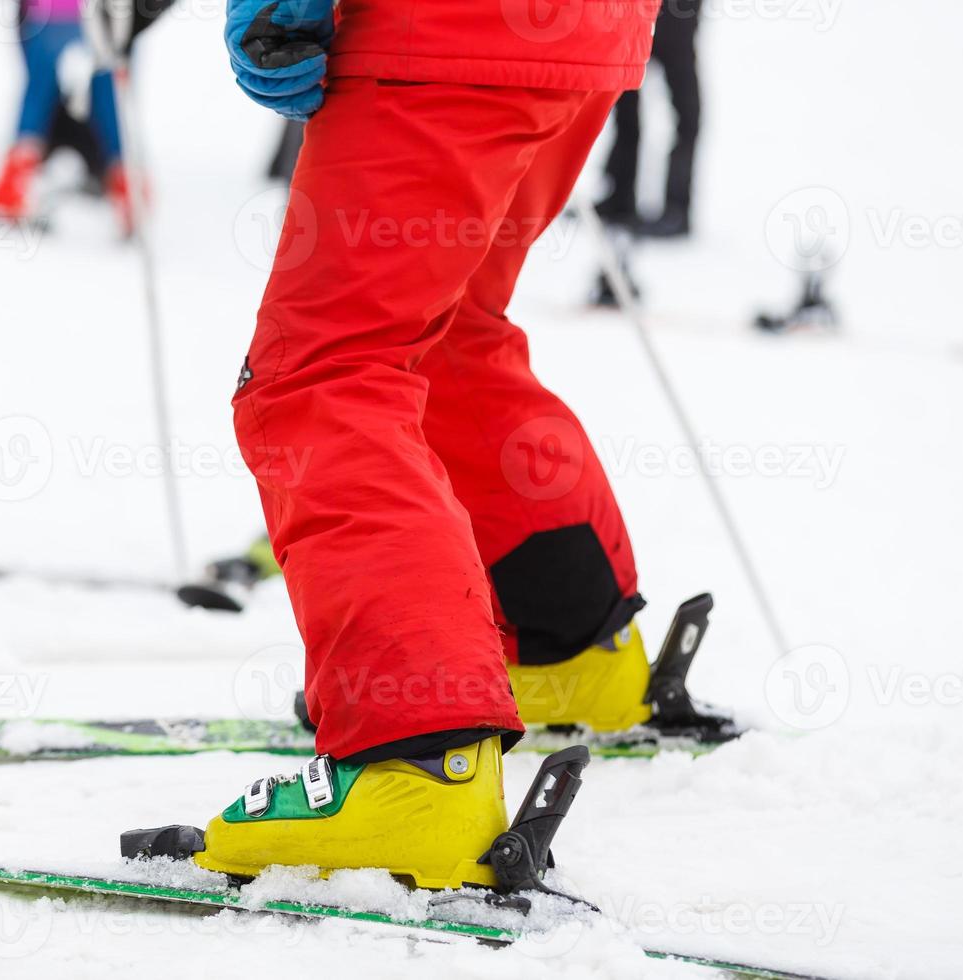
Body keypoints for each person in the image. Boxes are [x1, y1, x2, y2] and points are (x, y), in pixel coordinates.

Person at [183, 0, 661, 889]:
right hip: (587, 34)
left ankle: (417, 763)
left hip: (437, 38)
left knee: (325, 375)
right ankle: (573, 658)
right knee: (447, 336)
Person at [0, 0, 131, 230]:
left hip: (55, 11)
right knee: (106, 92)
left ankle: (13, 185)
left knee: (39, 90)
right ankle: (126, 189)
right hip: (106, 13)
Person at [597, 0, 704, 238]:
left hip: (676, 17)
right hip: (633, 17)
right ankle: (620, 196)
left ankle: (677, 209)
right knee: (624, 103)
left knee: (685, 114)